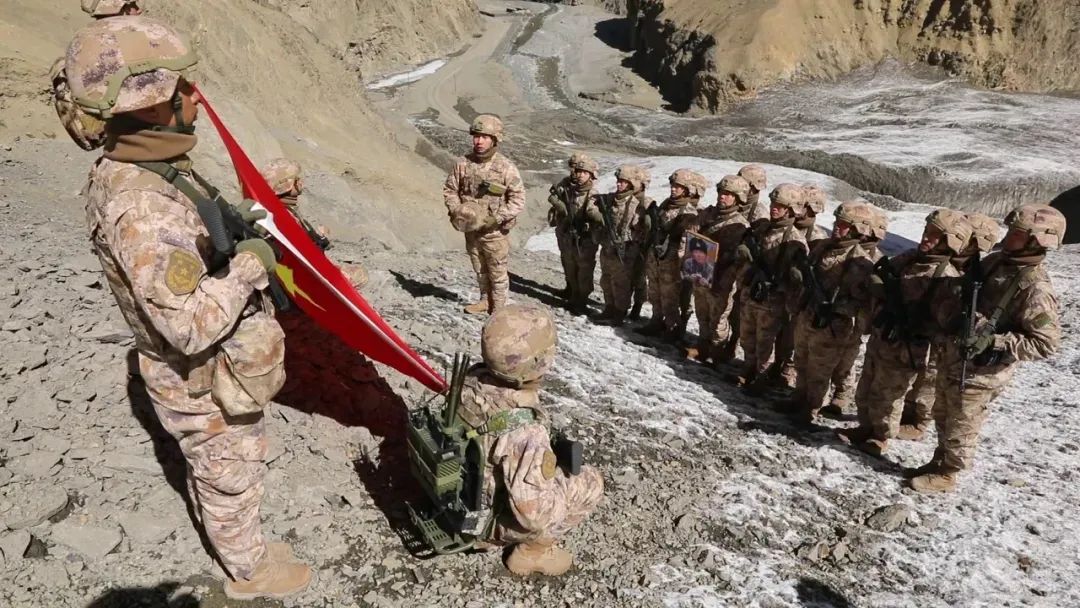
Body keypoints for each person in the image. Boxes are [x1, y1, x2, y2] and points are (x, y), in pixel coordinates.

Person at [66, 16, 310, 599]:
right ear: (153, 108)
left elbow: (188, 238)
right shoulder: (142, 207)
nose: (196, 97)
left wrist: (229, 226)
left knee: (221, 465)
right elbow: (190, 325)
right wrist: (250, 265)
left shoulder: (146, 163)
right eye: (182, 90)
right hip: (199, 376)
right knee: (228, 471)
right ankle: (249, 572)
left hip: (205, 369)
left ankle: (241, 546)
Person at [908, 204, 1064, 493]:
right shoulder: (994, 262)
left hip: (983, 372)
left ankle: (948, 474)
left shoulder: (1035, 288)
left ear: (1037, 240)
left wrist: (994, 340)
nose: (1009, 235)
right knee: (943, 413)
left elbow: (1045, 343)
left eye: (1017, 233)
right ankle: (938, 461)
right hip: (956, 357)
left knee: (962, 424)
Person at [458, 304, 604, 574]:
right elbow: (533, 515)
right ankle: (533, 552)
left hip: (459, 495)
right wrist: (554, 476)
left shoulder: (470, 379)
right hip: (484, 521)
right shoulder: (524, 430)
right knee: (590, 483)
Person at [843, 209, 973, 457]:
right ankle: (865, 426)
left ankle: (880, 437)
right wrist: (878, 287)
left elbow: (947, 323)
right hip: (884, 335)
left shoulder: (946, 276)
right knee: (867, 386)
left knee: (889, 395)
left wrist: (919, 322)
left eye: (935, 235)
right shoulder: (910, 258)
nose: (926, 238)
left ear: (949, 241)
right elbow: (882, 272)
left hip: (908, 345)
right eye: (927, 232)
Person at [898, 211, 1000, 440]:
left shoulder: (976, 269)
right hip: (930, 325)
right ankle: (907, 410)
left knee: (932, 375)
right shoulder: (947, 259)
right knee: (920, 369)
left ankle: (919, 421)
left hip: (952, 331)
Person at [787, 201, 880, 423]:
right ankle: (798, 398)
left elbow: (862, 303)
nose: (838, 227)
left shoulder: (860, 262)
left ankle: (811, 408)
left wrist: (835, 307)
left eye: (845, 225)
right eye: (838, 222)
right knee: (801, 360)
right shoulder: (823, 247)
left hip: (833, 325)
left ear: (857, 229)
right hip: (808, 314)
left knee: (819, 370)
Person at [443, 114, 527, 315]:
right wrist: (457, 210)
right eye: (476, 136)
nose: (479, 141)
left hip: (494, 232)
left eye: (485, 137)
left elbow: (518, 199)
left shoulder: (505, 168)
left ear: (495, 139)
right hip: (471, 230)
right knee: (479, 268)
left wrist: (497, 218)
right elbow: (450, 190)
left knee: (497, 272)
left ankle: (498, 310)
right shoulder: (463, 164)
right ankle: (485, 301)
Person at [732, 183, 809, 393]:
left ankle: (762, 376)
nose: (774, 208)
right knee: (747, 335)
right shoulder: (762, 229)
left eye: (781, 206)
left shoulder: (794, 240)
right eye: (774, 204)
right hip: (752, 291)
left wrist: (787, 282)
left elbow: (797, 279)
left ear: (791, 210)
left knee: (765, 340)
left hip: (773, 299)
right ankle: (748, 368)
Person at [259, 158, 368, 290]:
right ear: (287, 186)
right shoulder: (283, 215)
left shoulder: (279, 209)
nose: (301, 183)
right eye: (296, 180)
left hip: (299, 270)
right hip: (302, 277)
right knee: (358, 275)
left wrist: (321, 239)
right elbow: (304, 255)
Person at [50, 0, 144, 151]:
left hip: (110, 140)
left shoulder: (82, 44)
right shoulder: (124, 47)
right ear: (120, 8)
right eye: (133, 6)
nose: (139, 10)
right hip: (136, 139)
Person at [686, 175, 750, 365]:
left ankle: (717, 351)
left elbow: (738, 259)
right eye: (721, 192)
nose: (723, 197)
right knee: (702, 312)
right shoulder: (708, 214)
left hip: (722, 278)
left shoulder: (740, 224)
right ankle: (702, 345)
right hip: (701, 271)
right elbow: (692, 233)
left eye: (728, 194)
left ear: (738, 198)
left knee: (718, 318)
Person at [636, 169, 703, 342]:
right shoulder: (666, 205)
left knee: (670, 297)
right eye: (673, 185)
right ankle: (656, 320)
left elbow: (688, 241)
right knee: (654, 291)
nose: (673, 189)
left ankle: (672, 327)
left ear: (687, 190)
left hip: (672, 260)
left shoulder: (689, 213)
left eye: (678, 187)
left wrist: (680, 260)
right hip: (657, 256)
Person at [589, 164, 651, 326]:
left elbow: (644, 228)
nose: (619, 184)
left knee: (621, 284)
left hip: (626, 250)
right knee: (606, 280)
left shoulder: (637, 204)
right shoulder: (610, 199)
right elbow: (592, 201)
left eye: (623, 182)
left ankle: (619, 312)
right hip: (608, 247)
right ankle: (609, 307)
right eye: (618, 181)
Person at [548, 154, 601, 314]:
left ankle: (582, 300)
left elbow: (597, 215)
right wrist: (559, 205)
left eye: (584, 172)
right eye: (577, 171)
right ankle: (573, 295)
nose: (578, 174)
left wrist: (591, 218)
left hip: (585, 239)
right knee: (570, 265)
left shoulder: (593, 193)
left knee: (584, 270)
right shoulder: (571, 188)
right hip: (570, 235)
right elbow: (555, 196)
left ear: (591, 175)